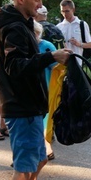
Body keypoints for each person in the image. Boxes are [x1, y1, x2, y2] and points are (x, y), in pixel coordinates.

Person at [0, 0, 70, 180]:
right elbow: (16, 67)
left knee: (40, 159)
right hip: (21, 107)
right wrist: (51, 57)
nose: (41, 4)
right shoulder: (13, 27)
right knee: (24, 166)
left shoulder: (23, 24)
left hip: (31, 106)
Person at [33, 21, 57, 161]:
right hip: (31, 89)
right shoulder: (24, 46)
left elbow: (56, 67)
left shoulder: (47, 46)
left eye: (35, 32)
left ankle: (47, 149)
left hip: (46, 87)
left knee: (45, 121)